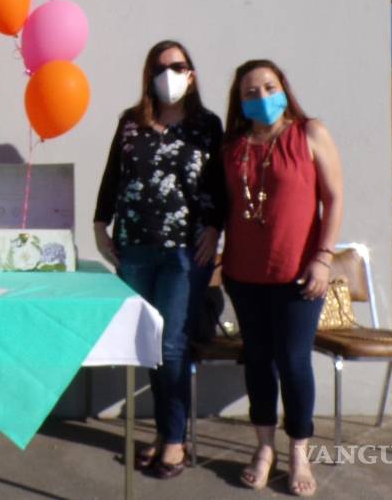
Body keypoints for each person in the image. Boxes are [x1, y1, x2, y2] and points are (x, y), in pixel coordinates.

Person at [94, 40, 226, 479]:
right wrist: (100, 224)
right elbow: (113, 174)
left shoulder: (207, 125)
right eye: (159, 67)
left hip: (185, 251)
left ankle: (174, 439)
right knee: (149, 344)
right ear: (148, 76)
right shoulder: (131, 122)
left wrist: (215, 228)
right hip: (134, 247)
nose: (169, 73)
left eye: (178, 65)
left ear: (191, 73)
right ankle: (164, 431)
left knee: (171, 345)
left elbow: (220, 184)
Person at [220, 59, 343, 496]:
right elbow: (221, 204)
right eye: (250, 92)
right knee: (258, 360)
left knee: (293, 361)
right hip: (243, 274)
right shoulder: (233, 146)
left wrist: (323, 258)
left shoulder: (310, 132)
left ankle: (299, 452)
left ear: (284, 89)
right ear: (239, 100)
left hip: (299, 275)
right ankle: (263, 448)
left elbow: (334, 198)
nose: (262, 97)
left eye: (269, 87)